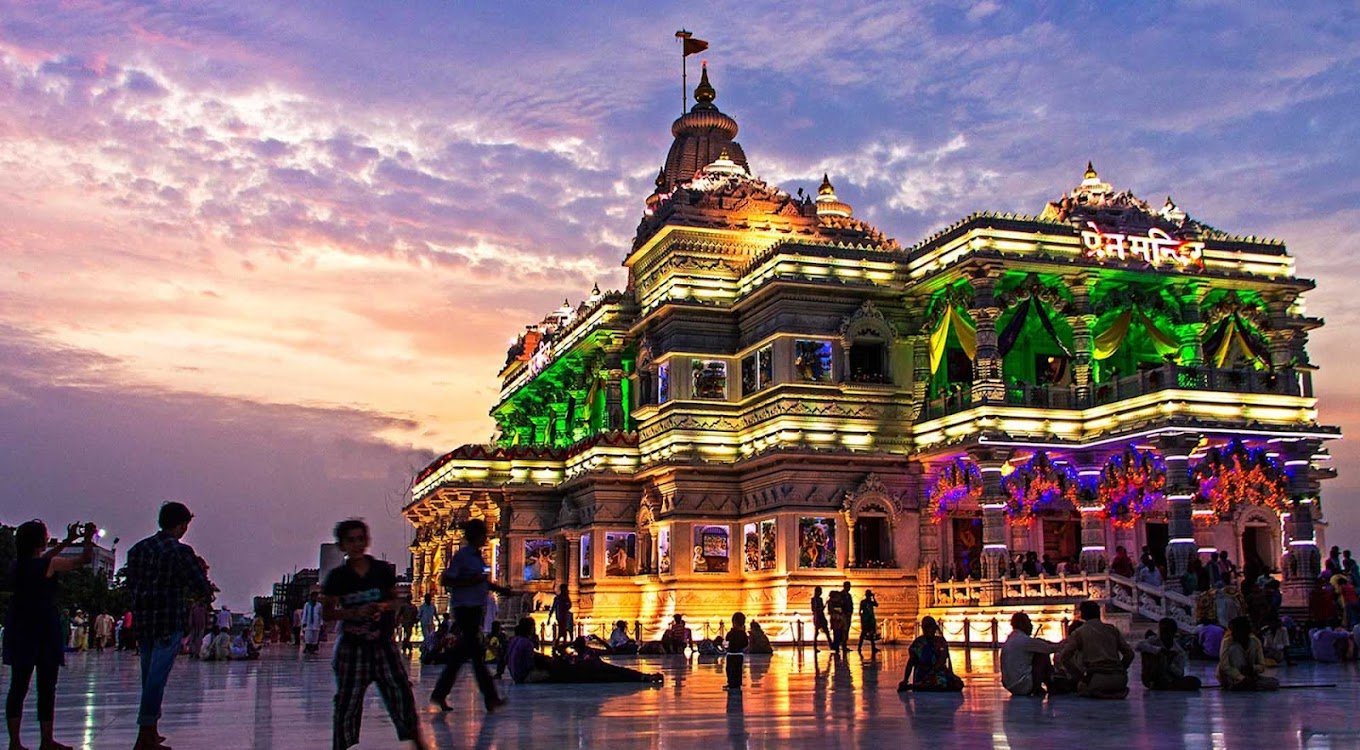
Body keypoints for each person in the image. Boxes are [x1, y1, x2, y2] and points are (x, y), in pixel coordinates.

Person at [321, 519, 425, 750]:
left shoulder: (381, 571)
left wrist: (381, 608)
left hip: (383, 645)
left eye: (360, 539)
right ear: (342, 546)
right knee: (348, 702)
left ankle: (418, 742)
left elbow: (394, 600)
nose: (357, 544)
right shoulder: (338, 577)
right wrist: (353, 612)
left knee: (401, 693)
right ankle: (342, 745)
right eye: (351, 540)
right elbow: (327, 613)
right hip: (352, 647)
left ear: (367, 540)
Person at [126, 502, 214, 750]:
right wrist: (205, 592)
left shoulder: (137, 550)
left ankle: (151, 732)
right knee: (156, 679)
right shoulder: (179, 552)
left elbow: (131, 585)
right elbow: (198, 584)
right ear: (181, 524)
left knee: (149, 677)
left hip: (144, 622)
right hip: (167, 620)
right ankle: (145, 734)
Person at [5, 520, 96, 750]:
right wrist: (87, 540)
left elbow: (43, 558)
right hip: (43, 626)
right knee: (46, 686)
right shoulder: (51, 564)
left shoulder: (17, 565)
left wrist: (67, 541)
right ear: (40, 540)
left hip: (19, 625)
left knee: (18, 686)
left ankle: (14, 742)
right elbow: (83, 561)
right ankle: (46, 740)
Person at [430, 519, 512, 714]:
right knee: (474, 655)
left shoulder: (476, 557)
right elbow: (447, 579)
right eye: (483, 534)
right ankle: (490, 698)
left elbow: (481, 582)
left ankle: (440, 694)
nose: (486, 537)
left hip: (475, 608)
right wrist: (469, 582)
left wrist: (500, 589)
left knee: (463, 655)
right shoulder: (464, 556)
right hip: (465, 609)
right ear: (476, 536)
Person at [1058, 601, 1133, 699]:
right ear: (1098, 613)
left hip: (1096, 679)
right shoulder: (1111, 629)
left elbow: (1064, 657)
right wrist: (1121, 669)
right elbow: (1129, 654)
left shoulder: (1079, 632)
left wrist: (1080, 677)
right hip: (1120, 680)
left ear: (1082, 614)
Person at [1000, 612, 1064, 696]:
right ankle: (1050, 684)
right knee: (1041, 654)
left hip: (1010, 685)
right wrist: (1067, 643)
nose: (1031, 626)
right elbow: (1050, 649)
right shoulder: (1024, 640)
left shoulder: (1011, 639)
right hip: (1023, 685)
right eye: (1029, 622)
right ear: (1022, 624)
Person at [898, 616, 963, 692]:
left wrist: (934, 671)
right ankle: (918, 685)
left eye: (930, 627)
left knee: (956, 683)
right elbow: (911, 662)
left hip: (937, 671)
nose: (928, 630)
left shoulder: (940, 641)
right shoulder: (918, 643)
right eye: (926, 627)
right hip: (923, 673)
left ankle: (920, 685)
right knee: (935, 683)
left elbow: (942, 660)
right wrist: (905, 680)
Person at [1136, 618, 1200, 691]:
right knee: (1147, 651)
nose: (1163, 634)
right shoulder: (1155, 640)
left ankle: (1165, 685)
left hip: (1169, 678)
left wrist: (1169, 663)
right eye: (1162, 631)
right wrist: (1159, 650)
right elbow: (1139, 645)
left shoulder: (1178, 651)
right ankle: (1159, 684)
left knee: (1195, 682)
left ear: (1173, 633)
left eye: (1166, 631)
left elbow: (1180, 673)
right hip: (1151, 677)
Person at [1218, 616, 1278, 691]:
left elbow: (1262, 666)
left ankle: (1247, 685)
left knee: (1274, 683)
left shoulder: (1255, 642)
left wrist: (1252, 668)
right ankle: (1239, 684)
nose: (1233, 633)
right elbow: (1225, 666)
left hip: (1250, 675)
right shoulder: (1227, 642)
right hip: (1231, 678)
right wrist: (1241, 678)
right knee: (1235, 648)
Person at [724, 613, 749, 691]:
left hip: (731, 654)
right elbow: (746, 643)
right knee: (737, 670)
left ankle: (731, 683)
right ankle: (737, 683)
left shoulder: (731, 633)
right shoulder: (743, 633)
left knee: (730, 669)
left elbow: (726, 641)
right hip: (739, 654)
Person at [828, 582, 852, 654]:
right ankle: (839, 645)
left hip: (846, 615)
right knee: (839, 632)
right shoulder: (841, 595)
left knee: (845, 631)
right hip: (841, 616)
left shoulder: (849, 595)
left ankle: (843, 645)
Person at [300, 590, 325, 655]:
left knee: (315, 637)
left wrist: (321, 623)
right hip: (308, 623)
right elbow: (305, 614)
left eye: (316, 596)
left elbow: (320, 615)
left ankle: (313, 649)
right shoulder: (307, 604)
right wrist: (303, 622)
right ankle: (307, 648)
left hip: (316, 623)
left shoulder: (319, 605)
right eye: (314, 596)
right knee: (308, 637)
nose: (315, 598)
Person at [809, 587, 832, 651]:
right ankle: (815, 646)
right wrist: (823, 607)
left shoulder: (820, 599)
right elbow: (814, 609)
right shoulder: (814, 600)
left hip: (821, 616)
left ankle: (831, 645)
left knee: (826, 632)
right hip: (817, 617)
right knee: (817, 633)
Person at [857, 590, 879, 655]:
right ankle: (859, 647)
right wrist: (862, 619)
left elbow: (876, 605)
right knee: (863, 634)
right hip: (866, 620)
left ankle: (873, 647)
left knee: (871, 635)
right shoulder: (863, 602)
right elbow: (860, 611)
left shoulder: (871, 602)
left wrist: (874, 598)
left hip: (871, 620)